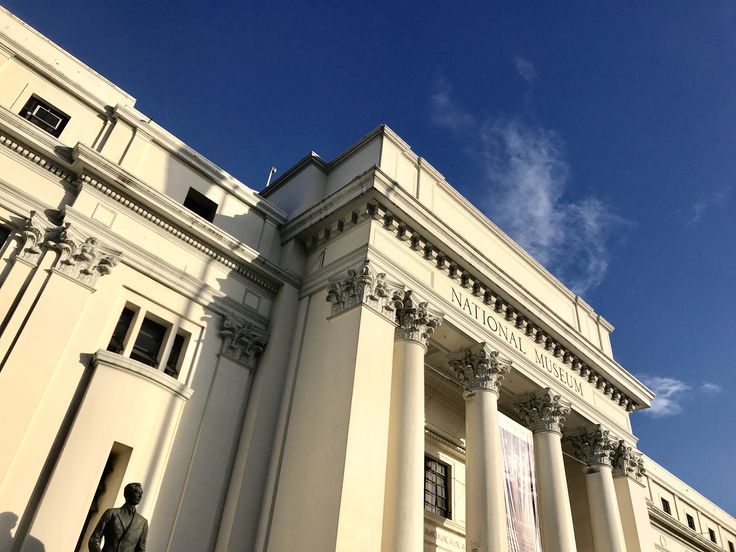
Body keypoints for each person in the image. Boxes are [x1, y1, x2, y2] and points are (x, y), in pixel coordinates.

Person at [89, 482, 148, 552]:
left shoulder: (142, 522)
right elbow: (94, 539)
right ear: (128, 494)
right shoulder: (111, 513)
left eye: (141, 493)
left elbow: (141, 549)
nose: (140, 496)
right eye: (137, 492)